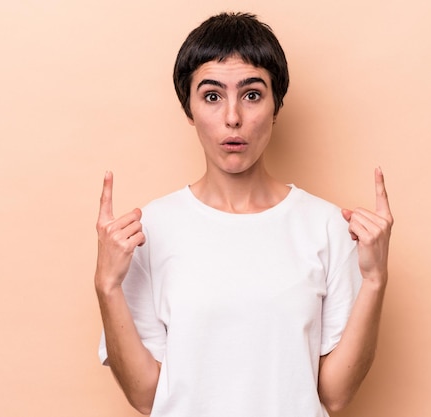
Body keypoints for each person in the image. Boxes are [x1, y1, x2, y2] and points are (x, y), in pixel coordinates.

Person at [95, 12, 393, 417]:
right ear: (189, 108)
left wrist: (375, 280)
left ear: (275, 107)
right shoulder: (147, 232)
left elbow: (335, 395)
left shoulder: (327, 227)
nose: (232, 117)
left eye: (252, 94)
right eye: (212, 96)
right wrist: (107, 286)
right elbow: (146, 396)